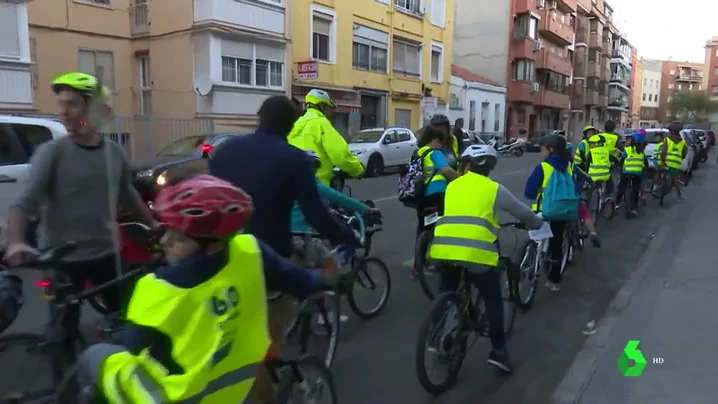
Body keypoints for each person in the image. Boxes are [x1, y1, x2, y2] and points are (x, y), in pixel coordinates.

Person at [75, 175, 333, 403]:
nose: (165, 241)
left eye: (179, 237)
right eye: (167, 231)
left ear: (213, 245)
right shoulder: (250, 250)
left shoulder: (155, 289)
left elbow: (134, 350)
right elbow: (298, 279)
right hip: (237, 387)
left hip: (176, 396)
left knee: (94, 356)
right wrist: (326, 279)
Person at [207, 95, 357, 403]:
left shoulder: (224, 152)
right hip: (266, 260)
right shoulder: (294, 159)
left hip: (217, 257)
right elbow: (315, 213)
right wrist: (345, 235)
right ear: (290, 127)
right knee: (264, 343)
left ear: (258, 117)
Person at [3, 72, 156, 365]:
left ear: (96, 109)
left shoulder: (114, 153)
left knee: (127, 320)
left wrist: (155, 226)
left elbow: (129, 196)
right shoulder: (52, 152)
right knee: (64, 332)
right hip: (62, 259)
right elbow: (22, 203)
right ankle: (65, 389)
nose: (64, 113)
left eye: (73, 105)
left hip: (106, 253)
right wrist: (15, 243)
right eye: (61, 105)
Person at [430, 144, 543, 372]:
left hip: (443, 249)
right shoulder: (494, 189)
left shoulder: (453, 185)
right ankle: (498, 351)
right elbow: (523, 213)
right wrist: (536, 222)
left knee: (446, 289)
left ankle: (436, 336)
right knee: (492, 297)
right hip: (476, 253)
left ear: (466, 165)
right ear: (489, 168)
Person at [292, 150, 379, 322]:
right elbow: (339, 198)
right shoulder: (311, 184)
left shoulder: (288, 184)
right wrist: (366, 209)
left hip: (283, 234)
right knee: (329, 267)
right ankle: (324, 315)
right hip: (303, 235)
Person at [524, 135, 574, 292]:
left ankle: (530, 262)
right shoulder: (568, 167)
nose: (541, 153)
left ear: (550, 150)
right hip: (561, 212)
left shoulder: (543, 167)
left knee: (535, 239)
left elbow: (529, 191)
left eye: (542, 149)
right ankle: (554, 280)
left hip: (542, 212)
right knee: (557, 243)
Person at [287, 89, 364, 185]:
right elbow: (340, 154)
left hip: (293, 184)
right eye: (330, 108)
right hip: (317, 185)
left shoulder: (296, 124)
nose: (332, 112)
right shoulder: (321, 123)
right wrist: (357, 169)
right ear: (322, 106)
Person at [411, 126, 459, 278]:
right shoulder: (435, 153)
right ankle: (443, 260)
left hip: (420, 196)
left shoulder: (416, 153)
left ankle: (417, 266)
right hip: (437, 194)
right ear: (434, 140)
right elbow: (446, 170)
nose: (442, 145)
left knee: (423, 228)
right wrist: (461, 178)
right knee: (443, 226)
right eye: (441, 142)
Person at [566, 143, 601, 248]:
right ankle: (593, 233)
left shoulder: (549, 165)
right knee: (584, 213)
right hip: (572, 197)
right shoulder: (572, 166)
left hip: (551, 200)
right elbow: (585, 176)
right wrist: (592, 183)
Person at [616, 129, 649, 216]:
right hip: (637, 174)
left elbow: (622, 160)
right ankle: (634, 209)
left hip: (626, 172)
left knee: (621, 188)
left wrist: (620, 167)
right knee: (635, 191)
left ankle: (616, 203)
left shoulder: (627, 150)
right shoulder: (641, 152)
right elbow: (646, 164)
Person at [656, 123, 687, 201]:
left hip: (666, 161)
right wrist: (680, 158)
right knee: (675, 179)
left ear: (673, 131)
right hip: (676, 163)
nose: (669, 132)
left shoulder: (667, 140)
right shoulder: (682, 142)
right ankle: (679, 194)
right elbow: (684, 153)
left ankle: (657, 186)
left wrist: (662, 161)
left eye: (670, 131)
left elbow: (663, 152)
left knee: (657, 171)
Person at [597, 120, 621, 199]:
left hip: (599, 161)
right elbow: (621, 148)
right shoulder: (615, 138)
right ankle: (610, 196)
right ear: (613, 129)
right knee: (613, 179)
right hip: (611, 162)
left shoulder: (599, 136)